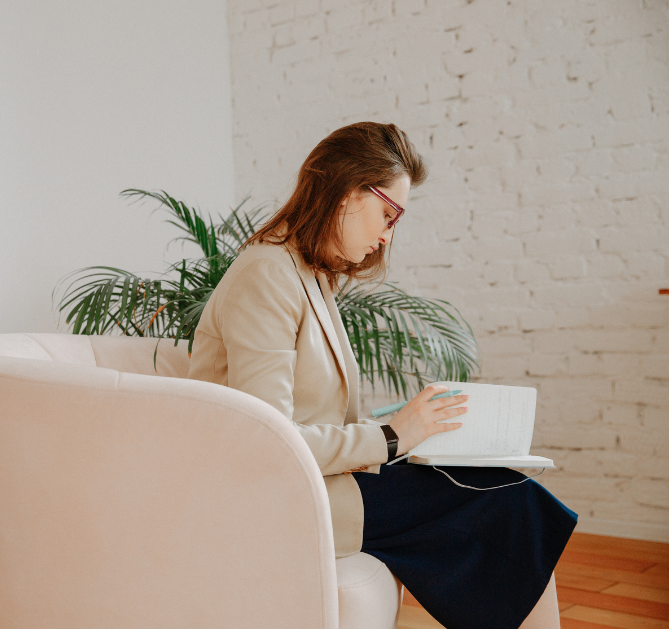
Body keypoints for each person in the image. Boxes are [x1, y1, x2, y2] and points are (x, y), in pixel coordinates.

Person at [187, 122, 577, 629]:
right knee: (510, 502)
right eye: (388, 214)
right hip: (282, 496)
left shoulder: (304, 273)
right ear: (347, 191)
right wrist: (393, 436)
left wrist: (408, 431)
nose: (386, 235)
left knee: (504, 489)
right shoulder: (267, 274)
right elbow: (267, 443)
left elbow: (311, 414)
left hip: (324, 479)